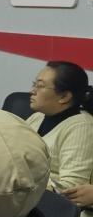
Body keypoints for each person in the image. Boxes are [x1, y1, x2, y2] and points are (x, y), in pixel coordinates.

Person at [24, 61, 93, 193]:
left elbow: (71, 186)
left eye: (40, 86)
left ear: (64, 96)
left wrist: (21, 185)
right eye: (34, 84)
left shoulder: (82, 128)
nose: (32, 91)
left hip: (48, 201)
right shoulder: (37, 117)